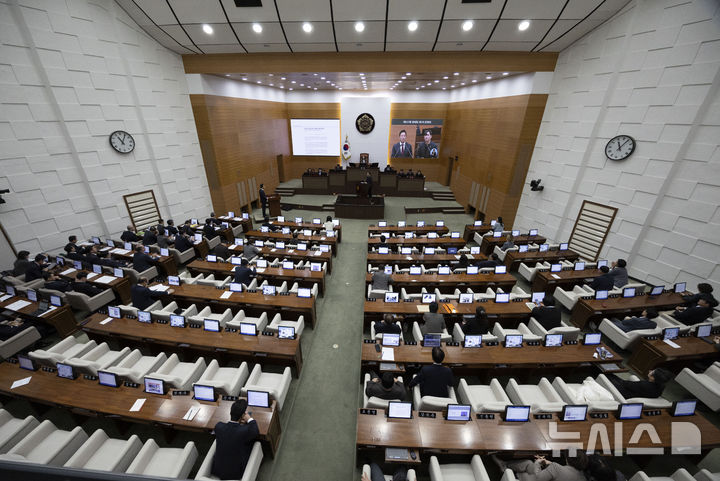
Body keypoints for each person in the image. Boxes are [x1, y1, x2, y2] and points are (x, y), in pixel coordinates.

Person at [211, 399, 259, 480]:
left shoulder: (218, 426)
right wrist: (250, 419)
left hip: (218, 469)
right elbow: (255, 432)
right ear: (243, 416)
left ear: (230, 413)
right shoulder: (244, 431)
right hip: (236, 473)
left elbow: (229, 431)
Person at [497, 451, 589, 481]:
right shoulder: (583, 478)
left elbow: (537, 478)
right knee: (528, 463)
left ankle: (505, 467)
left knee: (527, 469)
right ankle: (504, 465)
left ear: (567, 459)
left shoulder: (556, 468)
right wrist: (548, 463)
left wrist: (538, 462)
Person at [605, 368, 673, 399]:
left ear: (653, 378)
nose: (650, 370)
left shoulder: (644, 385)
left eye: (652, 372)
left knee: (606, 375)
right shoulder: (661, 386)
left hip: (623, 393)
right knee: (612, 375)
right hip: (635, 392)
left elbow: (625, 384)